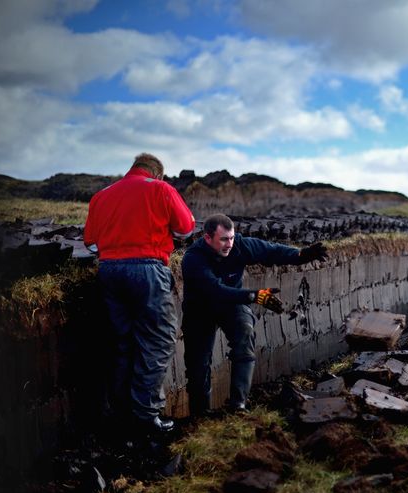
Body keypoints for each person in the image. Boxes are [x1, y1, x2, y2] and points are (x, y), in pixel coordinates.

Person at [84, 153, 195, 433]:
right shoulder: (160, 189)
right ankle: (146, 416)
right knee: (157, 340)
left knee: (122, 342)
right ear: (157, 173)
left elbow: (90, 244)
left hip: (108, 271)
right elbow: (185, 228)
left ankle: (121, 414)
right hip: (147, 270)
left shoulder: (101, 196)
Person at [181, 213, 328, 415]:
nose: (229, 244)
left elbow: (271, 251)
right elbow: (215, 291)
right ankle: (200, 416)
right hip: (200, 310)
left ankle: (238, 406)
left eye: (231, 238)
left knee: (245, 331)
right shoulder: (193, 258)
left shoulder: (240, 245)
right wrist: (254, 296)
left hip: (232, 304)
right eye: (223, 239)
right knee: (198, 366)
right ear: (207, 238)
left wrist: (300, 255)